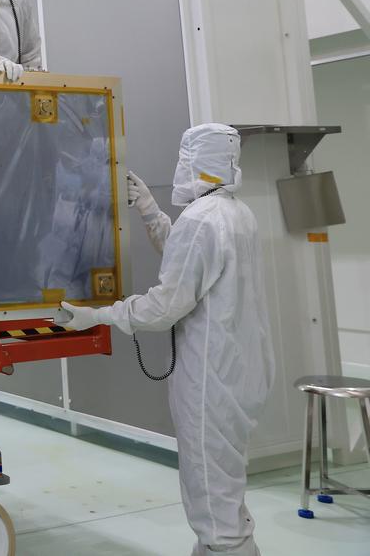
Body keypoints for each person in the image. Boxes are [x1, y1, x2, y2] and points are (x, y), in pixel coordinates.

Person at [60, 124, 274, 556]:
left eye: (184, 157)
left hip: (210, 379)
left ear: (197, 161)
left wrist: (99, 314)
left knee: (212, 499)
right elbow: (192, 263)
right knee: (224, 487)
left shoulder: (201, 220)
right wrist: (151, 212)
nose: (180, 166)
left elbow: (166, 304)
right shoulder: (236, 214)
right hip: (240, 372)